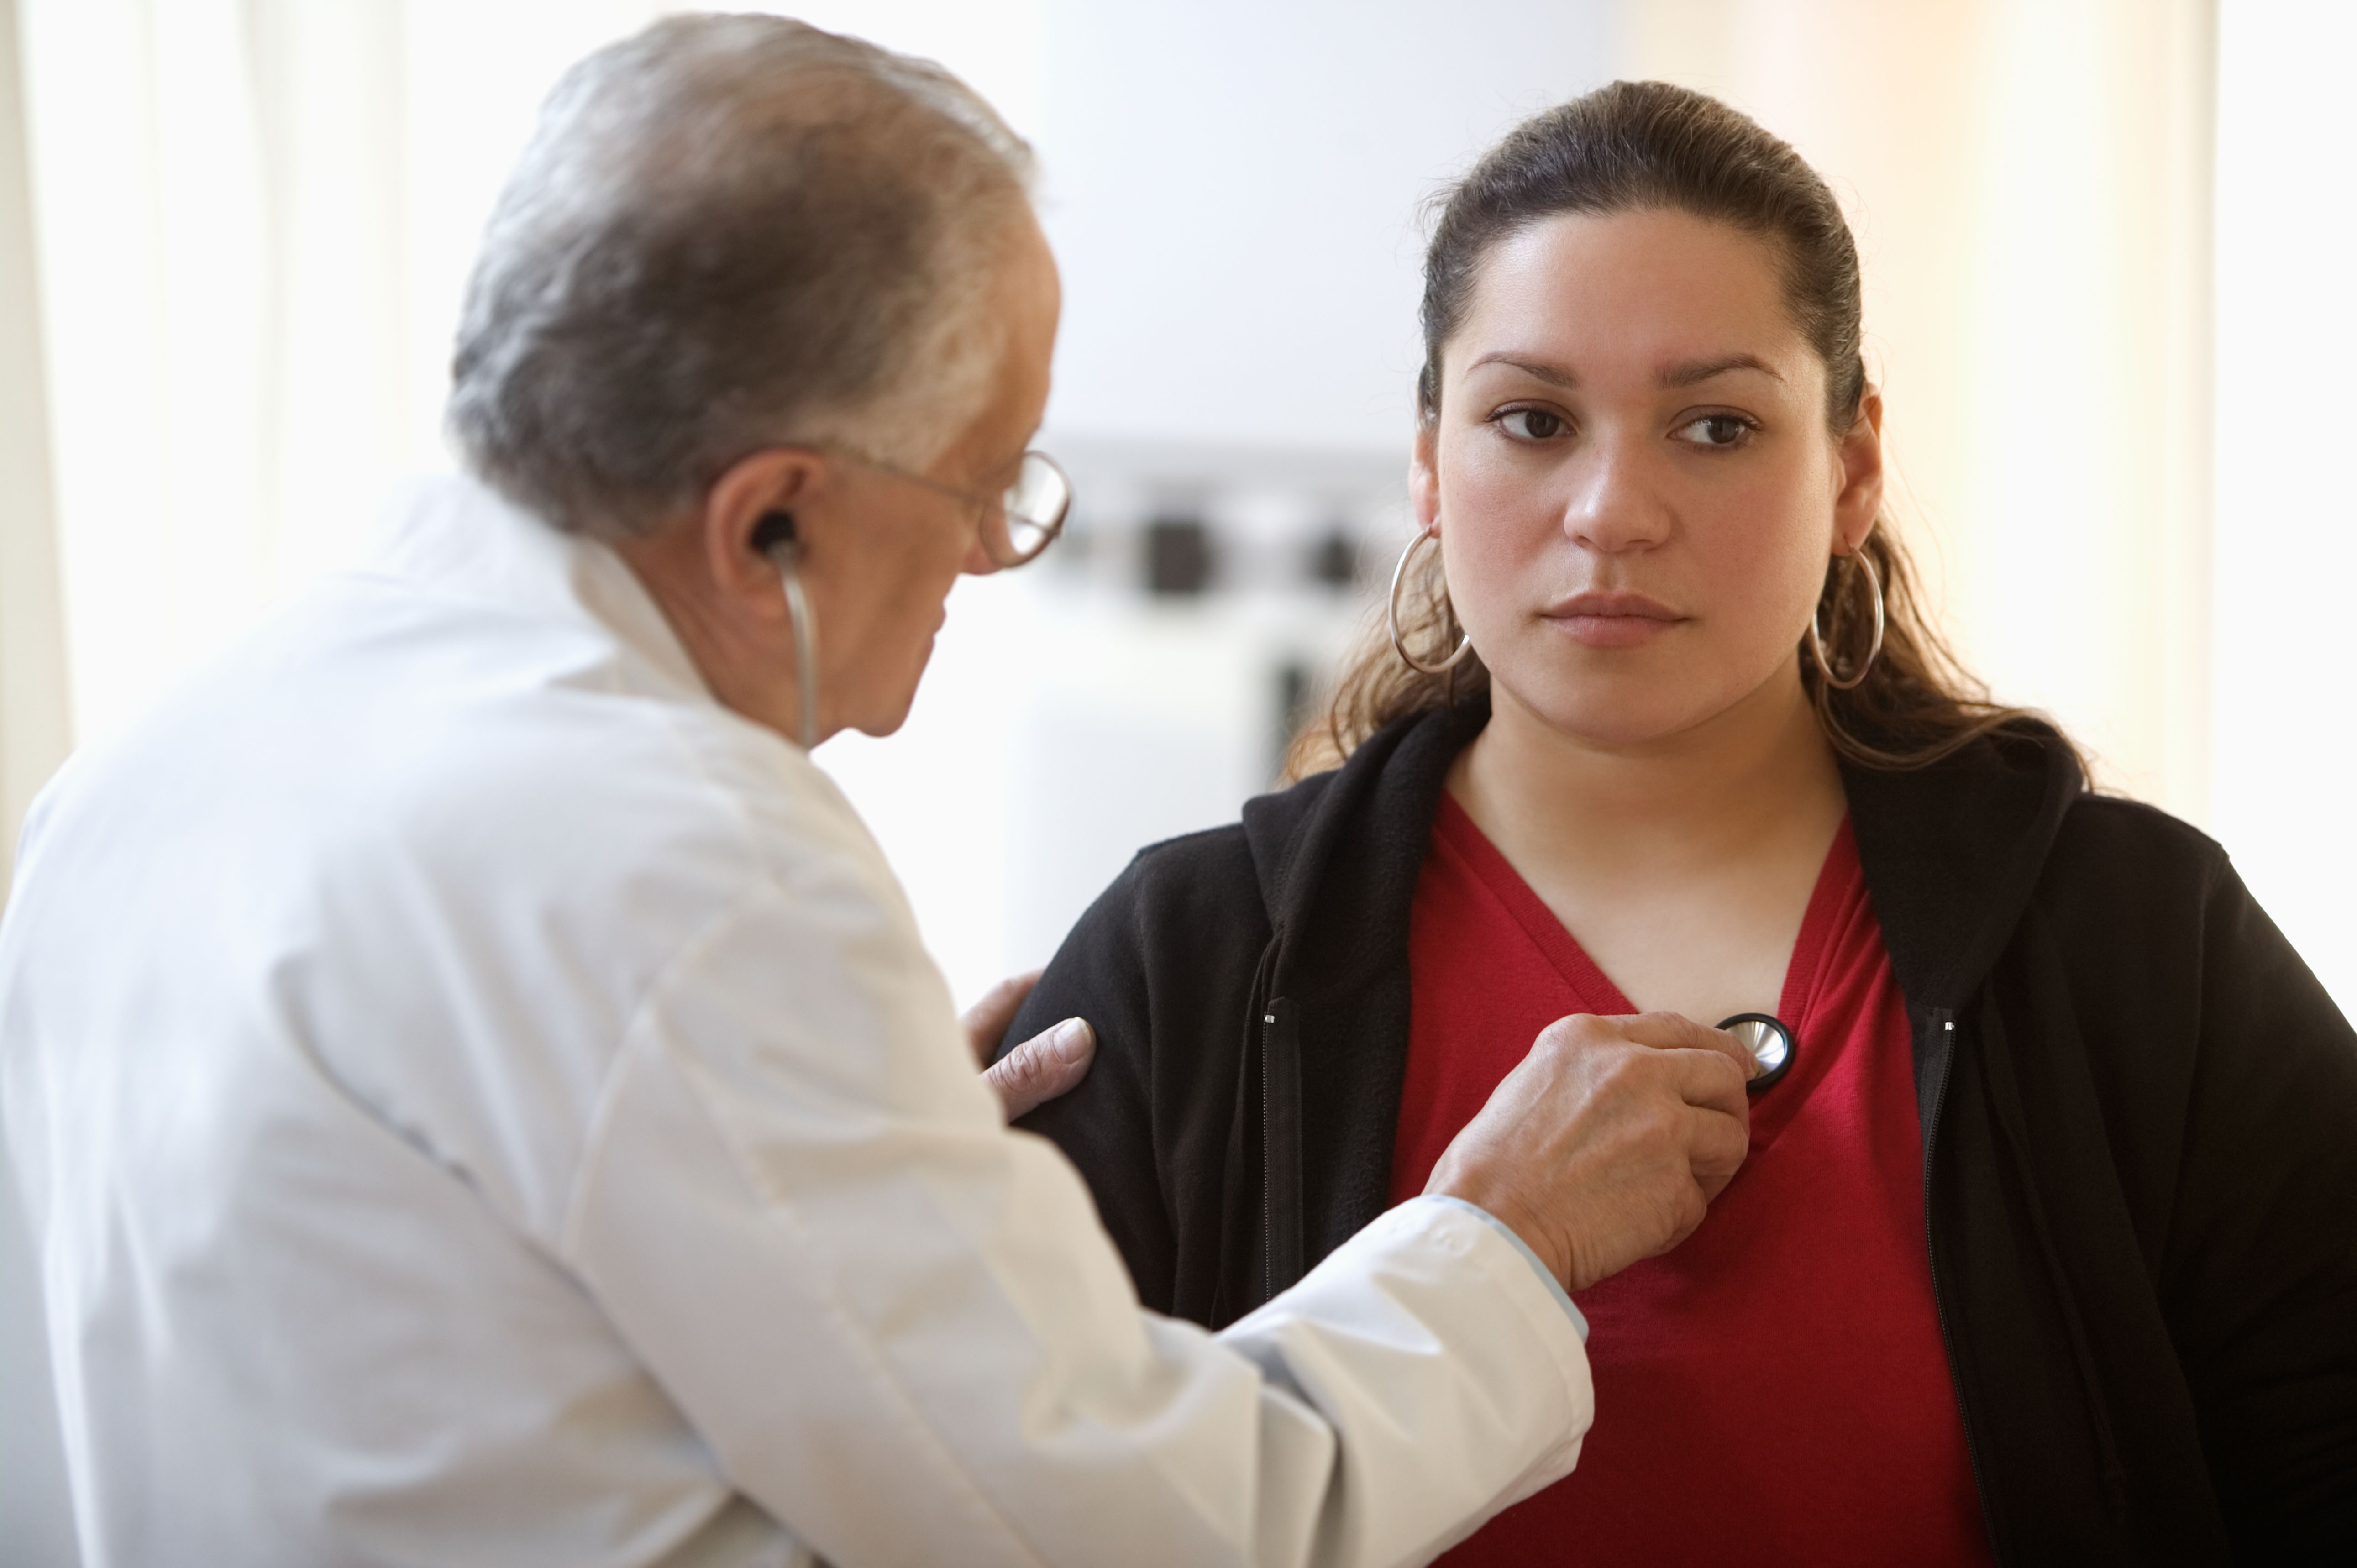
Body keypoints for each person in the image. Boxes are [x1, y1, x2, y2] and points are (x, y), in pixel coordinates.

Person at [0, 21, 1772, 1568]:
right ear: (771, 518)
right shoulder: (685, 860)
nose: (992, 553)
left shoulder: (148, 774)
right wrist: (1498, 1238)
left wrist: (840, 1166)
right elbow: (1133, 1530)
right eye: (985, 480)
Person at [1003, 81, 2357, 1565]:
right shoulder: (1189, 962)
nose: (1611, 510)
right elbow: (997, 1509)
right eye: (1531, 420)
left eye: (1714, 426)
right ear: (1428, 461)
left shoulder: (2135, 943)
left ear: (1851, 468)